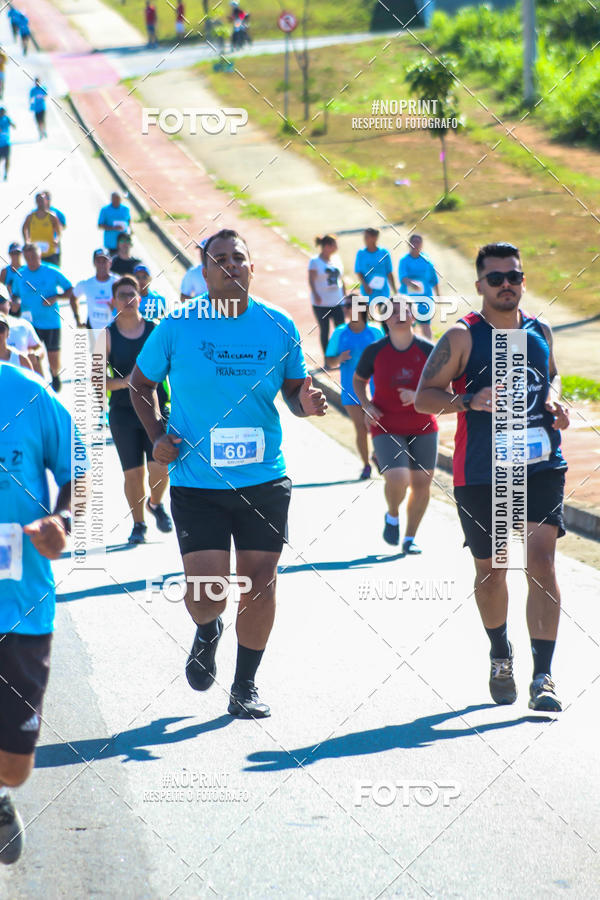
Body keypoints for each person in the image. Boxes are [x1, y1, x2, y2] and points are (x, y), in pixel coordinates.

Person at [130, 228, 327, 719]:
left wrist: (307, 404)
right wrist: (156, 434)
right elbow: (139, 385)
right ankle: (207, 629)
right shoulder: (177, 325)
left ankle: (245, 685)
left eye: (238, 257)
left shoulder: (278, 325)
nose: (231, 265)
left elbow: (295, 393)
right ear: (204, 270)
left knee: (261, 582)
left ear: (252, 267)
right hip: (199, 482)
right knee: (206, 593)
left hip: (263, 478)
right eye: (220, 259)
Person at [415, 241, 569, 712]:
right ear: (479, 284)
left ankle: (543, 676)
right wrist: (468, 400)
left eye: (514, 277)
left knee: (541, 561)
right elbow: (424, 397)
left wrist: (557, 402)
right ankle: (500, 650)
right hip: (484, 471)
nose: (507, 285)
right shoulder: (463, 337)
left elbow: (553, 376)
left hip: (541, 463)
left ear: (523, 281)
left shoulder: (539, 330)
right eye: (496, 278)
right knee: (493, 569)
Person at [0, 364, 76, 865]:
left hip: (21, 606)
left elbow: (83, 472)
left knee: (15, 767)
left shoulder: (29, 396)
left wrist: (63, 520)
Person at [354, 300, 437, 553]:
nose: (399, 315)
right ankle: (392, 515)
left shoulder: (429, 350)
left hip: (423, 425)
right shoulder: (375, 350)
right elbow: (358, 381)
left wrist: (418, 396)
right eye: (392, 311)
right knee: (399, 478)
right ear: (384, 318)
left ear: (414, 316)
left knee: (422, 484)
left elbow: (444, 386)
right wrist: (367, 405)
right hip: (385, 424)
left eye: (405, 310)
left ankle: (409, 539)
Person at [99, 276, 172, 545]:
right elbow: (96, 378)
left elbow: (174, 367)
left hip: (155, 410)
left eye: (132, 294)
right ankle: (138, 524)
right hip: (123, 413)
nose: (128, 300)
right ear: (113, 301)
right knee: (133, 473)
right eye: (122, 295)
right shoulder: (106, 335)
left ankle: (155, 503)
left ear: (140, 298)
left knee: (160, 468)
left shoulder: (156, 330)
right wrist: (125, 382)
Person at [12, 243, 83, 392]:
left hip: (51, 322)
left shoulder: (51, 271)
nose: (31, 259)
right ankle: (42, 386)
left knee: (53, 358)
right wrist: (16, 304)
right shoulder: (20, 274)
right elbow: (15, 295)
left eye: (34, 256)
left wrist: (55, 297)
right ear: (24, 257)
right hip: (30, 324)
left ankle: (55, 374)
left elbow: (71, 290)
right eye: (28, 257)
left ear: (40, 255)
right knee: (33, 356)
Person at [325, 299, 383, 479]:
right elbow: (329, 361)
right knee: (361, 428)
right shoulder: (340, 332)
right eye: (346, 306)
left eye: (351, 306)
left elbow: (386, 356)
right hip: (350, 389)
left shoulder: (375, 331)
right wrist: (339, 358)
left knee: (376, 427)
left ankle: (377, 454)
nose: (347, 309)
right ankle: (366, 465)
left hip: (375, 388)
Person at [308, 234, 348, 365]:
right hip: (322, 304)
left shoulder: (336, 259)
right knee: (324, 330)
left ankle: (342, 356)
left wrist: (344, 296)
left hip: (337, 301)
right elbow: (311, 280)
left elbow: (341, 279)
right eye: (334, 244)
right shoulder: (315, 261)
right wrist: (316, 294)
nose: (336, 247)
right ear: (326, 246)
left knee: (341, 329)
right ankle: (328, 359)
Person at [398, 234, 440, 340]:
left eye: (418, 242)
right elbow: (403, 278)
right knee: (408, 324)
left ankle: (429, 349)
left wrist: (438, 294)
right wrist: (412, 284)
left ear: (422, 244)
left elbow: (433, 279)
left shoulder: (427, 260)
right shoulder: (404, 260)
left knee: (425, 324)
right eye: (414, 242)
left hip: (425, 298)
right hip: (408, 298)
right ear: (409, 244)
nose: (416, 244)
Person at [73, 249, 117, 346]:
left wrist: (115, 308)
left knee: (114, 360)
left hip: (114, 330)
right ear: (94, 263)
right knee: (98, 359)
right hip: (94, 330)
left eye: (104, 261)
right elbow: (73, 297)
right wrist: (77, 318)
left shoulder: (117, 282)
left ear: (110, 262)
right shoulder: (87, 284)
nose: (101, 264)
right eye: (98, 261)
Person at [0, 284, 43, 374]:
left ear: (9, 303)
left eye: (1, 300)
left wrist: (35, 355)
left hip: (21, 378)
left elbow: (39, 348)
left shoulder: (22, 325)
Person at [354, 228, 396, 301]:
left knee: (384, 311)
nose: (364, 239)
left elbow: (389, 272)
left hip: (383, 291)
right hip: (368, 291)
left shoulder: (384, 252)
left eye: (367, 237)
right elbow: (358, 271)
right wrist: (365, 285)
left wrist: (395, 290)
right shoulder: (361, 253)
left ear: (374, 238)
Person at [22, 194, 62, 266]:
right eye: (38, 201)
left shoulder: (51, 217)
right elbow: (24, 228)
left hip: (50, 252)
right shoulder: (30, 217)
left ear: (46, 201)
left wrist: (57, 240)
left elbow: (59, 231)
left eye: (42, 200)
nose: (40, 203)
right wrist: (26, 241)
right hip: (35, 253)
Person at [42, 192, 66, 266]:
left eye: (48, 198)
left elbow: (63, 225)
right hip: (41, 243)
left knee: (55, 265)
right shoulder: (35, 213)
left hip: (53, 243)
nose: (46, 201)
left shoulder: (55, 212)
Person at [0, 106, 15, 181]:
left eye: (3, 112)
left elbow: (14, 126)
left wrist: (11, 123)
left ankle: (5, 173)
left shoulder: (7, 119)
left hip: (6, 144)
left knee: (7, 159)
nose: (2, 114)